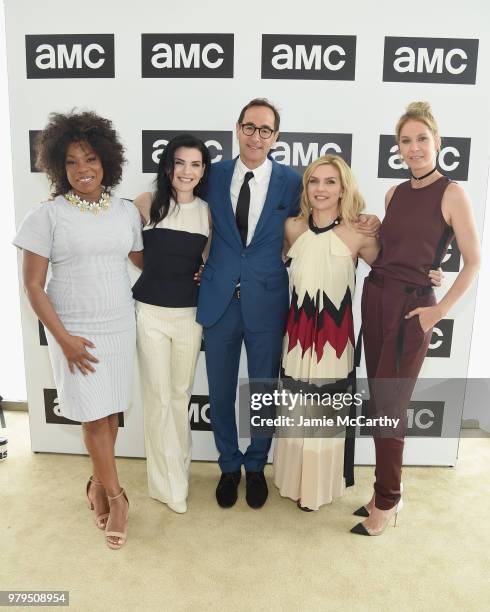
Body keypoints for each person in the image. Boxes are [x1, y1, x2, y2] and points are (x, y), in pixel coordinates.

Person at [197, 98, 379, 509]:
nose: (256, 136)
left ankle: (257, 465)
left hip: (269, 303)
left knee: (264, 392)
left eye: (265, 130)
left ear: (276, 137)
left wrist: (372, 222)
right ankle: (228, 465)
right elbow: (183, 208)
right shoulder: (213, 174)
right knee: (222, 393)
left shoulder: (293, 181)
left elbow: (327, 214)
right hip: (220, 301)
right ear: (237, 128)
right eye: (249, 127)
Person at [273, 155, 442, 511]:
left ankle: (317, 489)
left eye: (330, 182)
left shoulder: (359, 234)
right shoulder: (292, 228)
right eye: (314, 181)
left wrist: (431, 273)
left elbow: (395, 270)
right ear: (306, 187)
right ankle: (292, 480)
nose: (321, 189)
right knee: (297, 409)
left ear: (343, 188)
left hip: (334, 340)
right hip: (298, 335)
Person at [13, 111, 143, 550]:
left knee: (108, 412)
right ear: (57, 166)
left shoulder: (125, 212)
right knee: (92, 416)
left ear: (106, 160)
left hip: (120, 324)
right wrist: (63, 338)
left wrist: (199, 258)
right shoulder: (47, 215)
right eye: (71, 162)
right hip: (75, 331)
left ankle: (95, 483)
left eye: (89, 158)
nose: (82, 169)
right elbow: (32, 285)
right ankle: (117, 496)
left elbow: (147, 262)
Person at [351, 101, 481, 536]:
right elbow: (395, 251)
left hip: (412, 311)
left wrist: (439, 311)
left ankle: (388, 501)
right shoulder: (393, 193)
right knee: (380, 404)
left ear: (437, 141)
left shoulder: (452, 193)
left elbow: (474, 262)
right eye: (406, 141)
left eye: (422, 138)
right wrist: (372, 226)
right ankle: (382, 490)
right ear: (398, 148)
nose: (414, 147)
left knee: (390, 408)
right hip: (375, 298)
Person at [131, 135, 211, 514]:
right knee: (158, 399)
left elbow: (209, 263)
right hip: (149, 312)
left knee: (179, 398)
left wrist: (200, 273)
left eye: (195, 164)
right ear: (168, 167)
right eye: (180, 163)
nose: (187, 171)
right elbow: (129, 249)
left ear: (203, 171)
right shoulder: (147, 204)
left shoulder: (209, 212)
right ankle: (167, 486)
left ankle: (177, 472)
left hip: (189, 317)